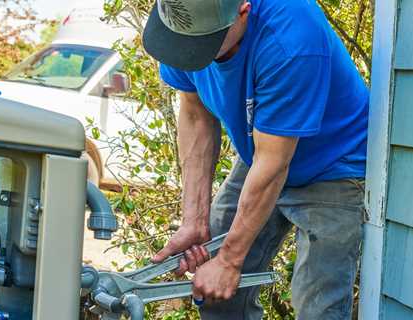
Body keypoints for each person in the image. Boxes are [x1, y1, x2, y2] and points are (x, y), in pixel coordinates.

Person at [142, 0, 369, 319]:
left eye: (203, 44)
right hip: (261, 151)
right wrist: (194, 219)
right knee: (216, 293)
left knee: (317, 304)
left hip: (334, 163)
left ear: (243, 10)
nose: (191, 54)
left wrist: (231, 261)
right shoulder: (185, 27)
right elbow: (195, 116)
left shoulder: (291, 40)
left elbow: (274, 163)